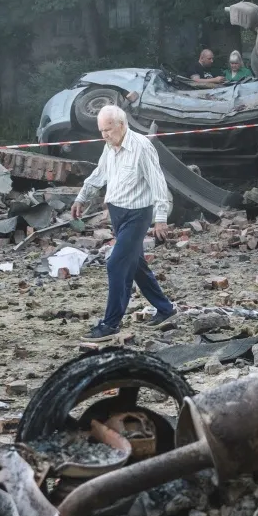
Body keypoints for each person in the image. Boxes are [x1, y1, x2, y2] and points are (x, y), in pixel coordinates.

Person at [72, 101, 176, 338]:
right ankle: (165, 309)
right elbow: (99, 173)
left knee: (116, 263)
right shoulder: (109, 147)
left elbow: (158, 182)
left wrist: (161, 218)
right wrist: (81, 197)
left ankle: (110, 323)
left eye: (108, 129)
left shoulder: (141, 146)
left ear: (121, 125)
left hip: (138, 215)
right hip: (118, 213)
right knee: (136, 265)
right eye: (101, 131)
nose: (105, 135)